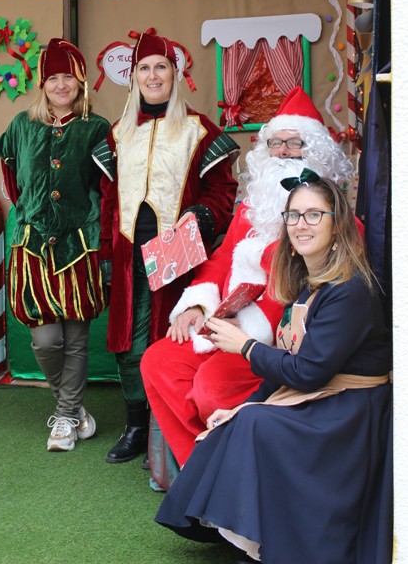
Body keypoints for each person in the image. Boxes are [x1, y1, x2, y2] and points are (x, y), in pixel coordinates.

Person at [155, 172, 392, 564]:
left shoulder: (350, 289)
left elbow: (308, 372)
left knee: (256, 425)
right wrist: (243, 405)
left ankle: (266, 539)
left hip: (351, 413)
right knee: (237, 418)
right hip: (323, 398)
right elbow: (291, 368)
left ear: (337, 226)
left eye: (314, 215)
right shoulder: (308, 283)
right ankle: (239, 534)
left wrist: (245, 347)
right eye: (293, 215)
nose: (301, 224)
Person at [141, 87, 356, 470]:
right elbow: (222, 258)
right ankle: (203, 466)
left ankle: (232, 467)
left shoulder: (331, 216)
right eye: (276, 142)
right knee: (159, 360)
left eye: (295, 142)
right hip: (224, 321)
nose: (284, 151)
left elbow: (316, 284)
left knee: (211, 390)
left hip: (276, 341)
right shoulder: (251, 207)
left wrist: (250, 325)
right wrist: (196, 305)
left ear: (317, 150)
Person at [93, 28, 239, 464]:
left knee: (171, 338)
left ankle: (166, 432)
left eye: (161, 67)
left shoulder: (199, 130)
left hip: (178, 252)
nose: (153, 75)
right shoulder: (118, 134)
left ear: (175, 74)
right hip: (127, 254)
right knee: (127, 343)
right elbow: (107, 199)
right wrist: (106, 254)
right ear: (134, 76)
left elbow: (223, 193)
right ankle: (136, 427)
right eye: (144, 68)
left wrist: (200, 218)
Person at [0, 38, 110, 452]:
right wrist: (33, 211)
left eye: (69, 77)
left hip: (79, 245)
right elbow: (13, 180)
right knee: (46, 341)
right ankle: (74, 410)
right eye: (53, 77)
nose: (61, 85)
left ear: (81, 82)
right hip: (32, 245)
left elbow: (106, 190)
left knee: (76, 340)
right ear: (42, 83)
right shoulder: (20, 126)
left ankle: (64, 418)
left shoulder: (98, 129)